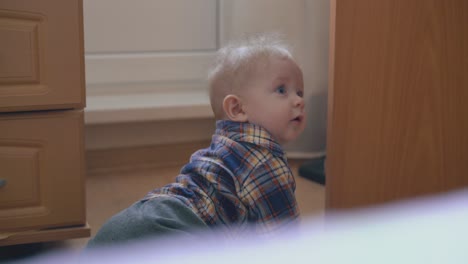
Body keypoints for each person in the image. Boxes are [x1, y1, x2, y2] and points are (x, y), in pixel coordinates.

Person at [86, 33, 306, 248]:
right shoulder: (266, 163)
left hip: (132, 222)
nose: (298, 101)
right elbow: (286, 245)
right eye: (281, 90)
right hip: (171, 235)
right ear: (237, 108)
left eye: (300, 92)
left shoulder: (222, 149)